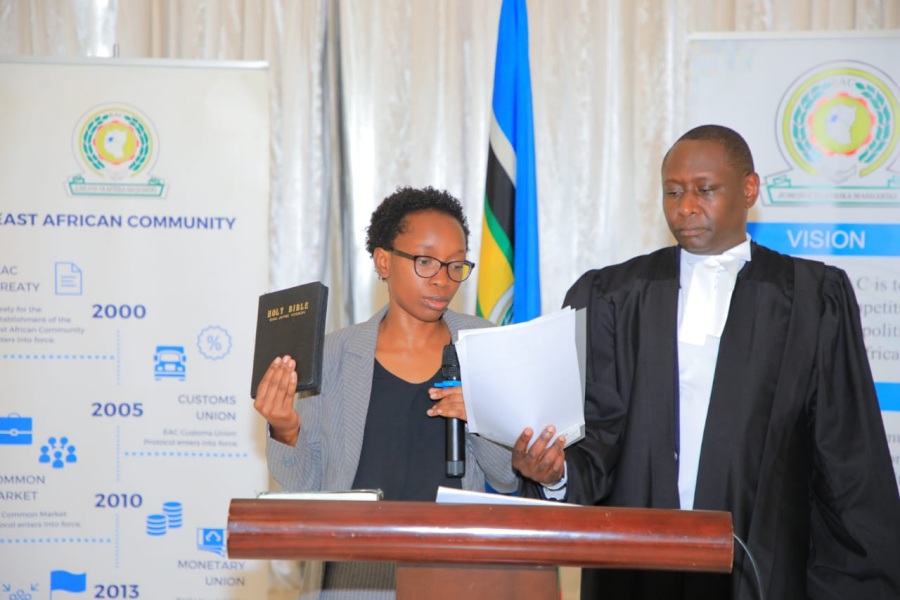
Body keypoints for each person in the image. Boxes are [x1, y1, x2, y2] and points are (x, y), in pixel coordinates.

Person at [514, 125, 900, 599]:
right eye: (673, 192)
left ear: (749, 188)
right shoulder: (613, 296)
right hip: (636, 572)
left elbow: (847, 460)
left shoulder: (811, 298)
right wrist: (555, 475)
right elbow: (595, 437)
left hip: (762, 571)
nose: (686, 207)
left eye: (705, 190)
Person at [254, 186, 517, 599]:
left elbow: (506, 479)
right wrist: (286, 430)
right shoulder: (332, 355)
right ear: (383, 260)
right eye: (425, 262)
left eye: (455, 265)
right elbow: (307, 486)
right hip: (356, 574)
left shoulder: (486, 346)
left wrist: (483, 418)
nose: (443, 280)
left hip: (458, 571)